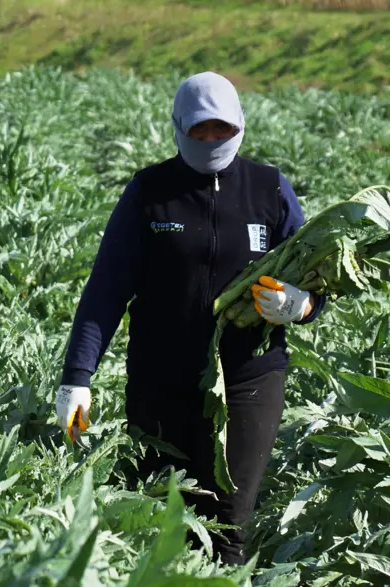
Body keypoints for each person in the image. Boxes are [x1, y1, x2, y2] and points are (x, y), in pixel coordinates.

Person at [56, 72, 325, 565]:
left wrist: (301, 306)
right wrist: (77, 377)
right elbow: (105, 290)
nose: (209, 140)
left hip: (249, 382)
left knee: (229, 527)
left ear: (239, 126)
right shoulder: (150, 192)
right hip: (160, 383)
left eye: (220, 129)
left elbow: (316, 277)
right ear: (178, 128)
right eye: (198, 130)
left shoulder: (269, 189)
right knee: (163, 524)